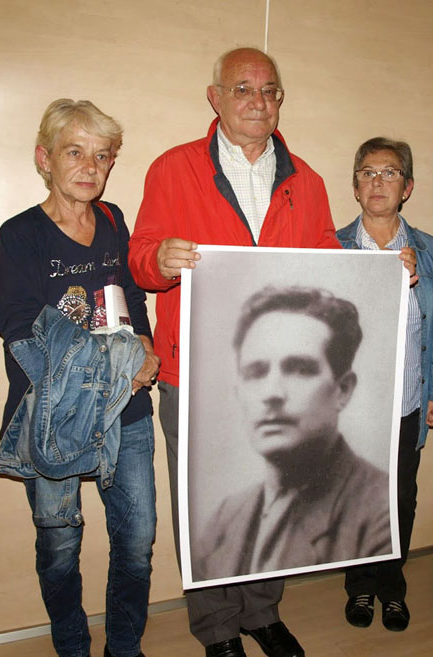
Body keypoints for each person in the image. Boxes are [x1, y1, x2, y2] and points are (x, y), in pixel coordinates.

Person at [128, 47, 339, 657]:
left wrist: (378, 272)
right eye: (243, 88)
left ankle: (262, 612)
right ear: (215, 97)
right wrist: (159, 259)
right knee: (206, 504)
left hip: (276, 375)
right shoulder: (173, 168)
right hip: (193, 370)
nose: (258, 101)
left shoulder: (308, 181)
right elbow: (139, 256)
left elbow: (327, 261)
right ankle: (218, 626)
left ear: (281, 101)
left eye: (270, 90)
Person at [0, 99, 160, 657]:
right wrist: (108, 366)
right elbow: (17, 328)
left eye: (102, 156)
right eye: (75, 152)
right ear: (45, 159)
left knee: (136, 544)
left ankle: (124, 648)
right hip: (54, 415)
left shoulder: (112, 220)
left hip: (126, 409)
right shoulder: (20, 235)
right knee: (60, 548)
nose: (91, 167)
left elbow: (130, 295)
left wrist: (146, 345)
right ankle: (73, 647)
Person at [193, 286, 393, 580]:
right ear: (239, 390)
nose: (272, 393)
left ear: (343, 389)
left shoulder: (381, 511)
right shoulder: (225, 518)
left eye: (300, 369)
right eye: (256, 372)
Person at [335, 138, 433, 632]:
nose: (377, 182)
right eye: (367, 172)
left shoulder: (430, 250)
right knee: (354, 495)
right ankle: (359, 586)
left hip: (406, 399)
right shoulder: (332, 245)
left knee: (400, 498)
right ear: (355, 185)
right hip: (353, 404)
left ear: (407, 187)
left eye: (389, 173)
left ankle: (392, 587)